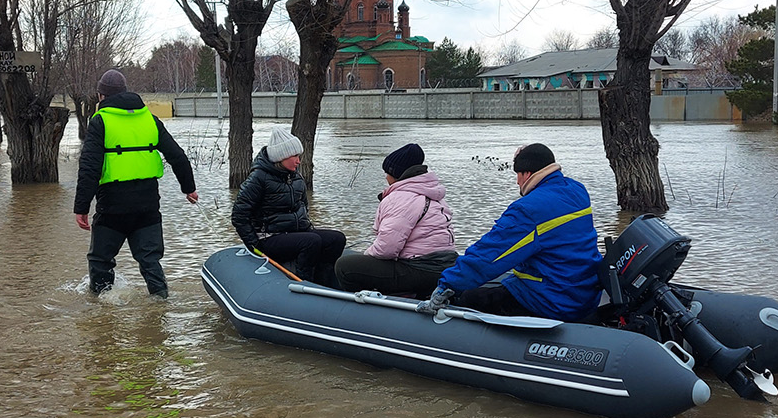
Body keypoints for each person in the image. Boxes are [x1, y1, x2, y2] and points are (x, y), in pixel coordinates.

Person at [417, 143, 602, 322]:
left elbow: (490, 253)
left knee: (469, 298)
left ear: (527, 174)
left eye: (518, 175)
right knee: (502, 279)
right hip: (583, 291)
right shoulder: (577, 191)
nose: (517, 181)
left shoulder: (529, 210)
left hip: (553, 299)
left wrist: (447, 284)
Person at [73, 69, 199, 298]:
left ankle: (101, 316)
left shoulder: (100, 121)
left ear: (101, 96)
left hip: (112, 206)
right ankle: (161, 308)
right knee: (150, 262)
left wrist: (81, 207)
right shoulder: (149, 119)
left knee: (101, 261)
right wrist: (188, 188)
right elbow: (177, 156)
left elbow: (90, 168)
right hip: (148, 206)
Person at [333, 143, 457, 298]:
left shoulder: (400, 198)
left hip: (422, 268)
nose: (385, 177)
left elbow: (387, 249)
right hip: (446, 264)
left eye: (387, 172)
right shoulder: (433, 194)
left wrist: (366, 255)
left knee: (345, 266)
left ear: (396, 174)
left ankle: (361, 306)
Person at [231, 127, 346, 286]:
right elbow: (239, 215)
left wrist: (305, 225)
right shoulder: (258, 178)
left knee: (336, 239)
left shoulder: (296, 177)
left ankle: (326, 282)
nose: (299, 161)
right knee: (310, 241)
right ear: (281, 157)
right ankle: (304, 283)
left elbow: (303, 206)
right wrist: (254, 245)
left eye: (299, 156)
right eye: (295, 156)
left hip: (297, 232)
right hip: (269, 237)